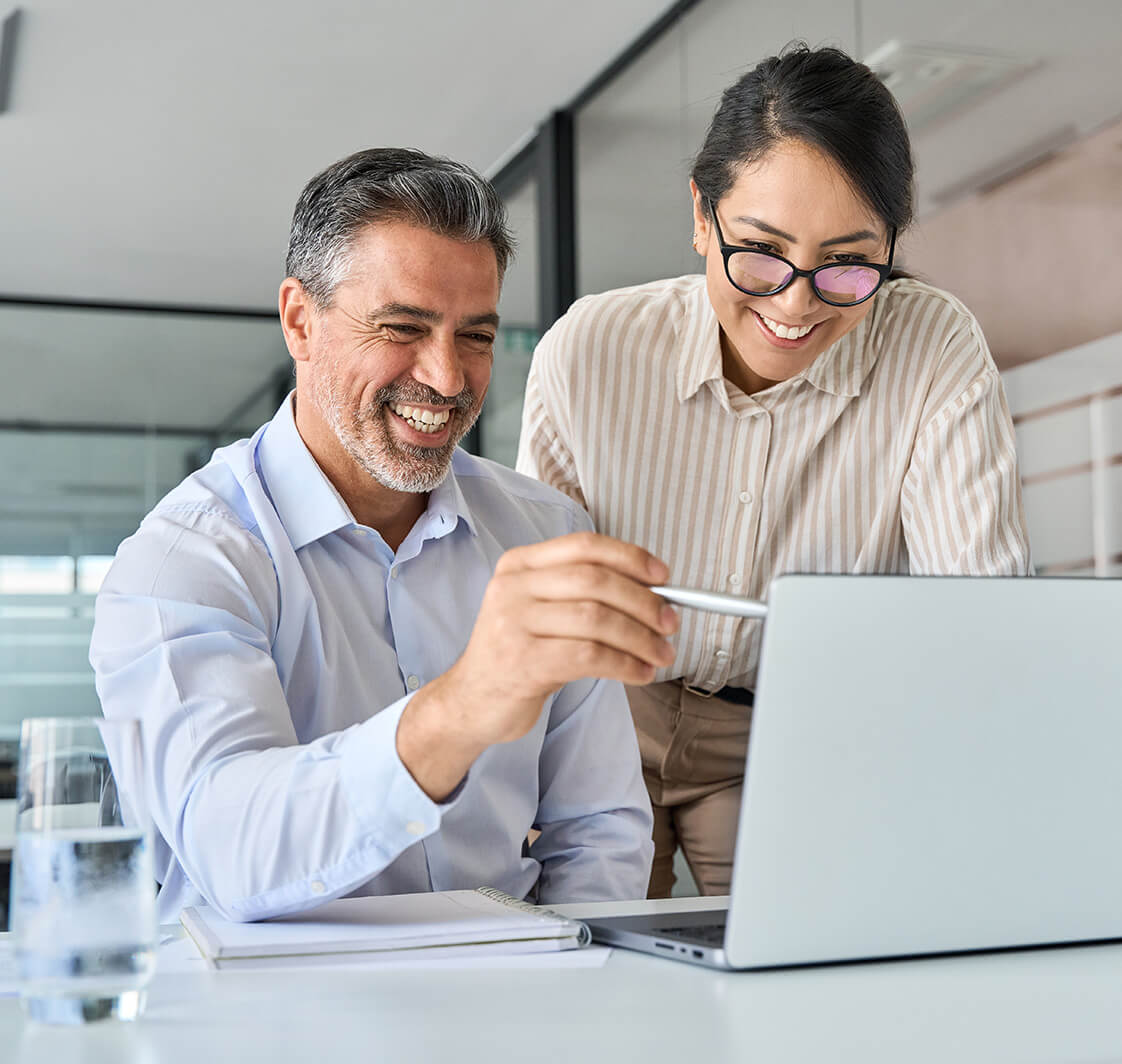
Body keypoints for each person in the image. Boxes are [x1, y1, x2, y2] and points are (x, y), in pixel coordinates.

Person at [90, 147, 673, 922]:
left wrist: (566, 989)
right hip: (271, 1020)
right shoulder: (186, 561)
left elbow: (600, 832)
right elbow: (230, 846)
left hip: (509, 1003)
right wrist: (460, 708)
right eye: (403, 327)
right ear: (301, 320)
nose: (448, 378)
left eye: (477, 336)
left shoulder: (545, 531)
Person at [517, 44, 1032, 899]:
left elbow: (977, 613)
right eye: (759, 251)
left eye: (848, 262)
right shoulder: (589, 349)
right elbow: (548, 604)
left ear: (892, 245)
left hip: (791, 728)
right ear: (700, 213)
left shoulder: (932, 345)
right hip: (601, 723)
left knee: (794, 994)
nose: (795, 303)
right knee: (586, 975)